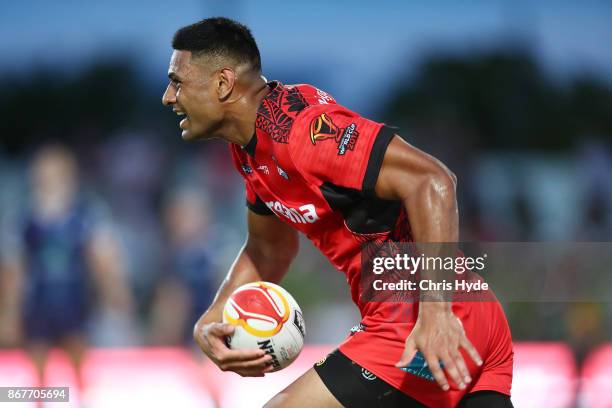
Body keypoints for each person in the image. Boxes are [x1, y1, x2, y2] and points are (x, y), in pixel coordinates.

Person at [162, 18, 513, 408]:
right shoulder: (249, 149)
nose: (167, 96)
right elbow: (269, 250)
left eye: (177, 82)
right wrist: (212, 319)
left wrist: (436, 313)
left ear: (223, 84)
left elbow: (433, 180)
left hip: (420, 319)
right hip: (461, 316)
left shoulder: (305, 133)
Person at [0, 145, 133, 394]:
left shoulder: (85, 214)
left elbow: (102, 259)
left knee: (79, 369)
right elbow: (14, 270)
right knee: (38, 375)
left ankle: (80, 399)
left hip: (75, 302)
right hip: (38, 304)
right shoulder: (23, 217)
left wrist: (114, 295)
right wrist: (9, 312)